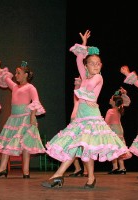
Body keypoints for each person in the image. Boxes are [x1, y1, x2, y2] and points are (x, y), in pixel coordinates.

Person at [41, 30, 129, 189]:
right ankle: (91, 178)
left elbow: (88, 87)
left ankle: (58, 175)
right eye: (92, 63)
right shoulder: (85, 75)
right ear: (86, 66)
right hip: (82, 116)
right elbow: (78, 60)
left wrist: (85, 93)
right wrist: (83, 44)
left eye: (98, 63)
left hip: (91, 117)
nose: (95, 65)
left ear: (101, 66)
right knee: (84, 149)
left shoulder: (98, 77)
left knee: (78, 146)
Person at [0, 60, 46, 179]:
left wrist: (32, 116)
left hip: (25, 118)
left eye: (18, 73)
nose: (15, 75)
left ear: (26, 75)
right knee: (6, 143)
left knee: (25, 146)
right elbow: (6, 78)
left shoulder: (30, 87)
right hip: (13, 119)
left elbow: (35, 101)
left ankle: (26, 171)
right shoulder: (15, 87)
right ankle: (2, 169)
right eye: (15, 73)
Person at [105, 87, 131, 175]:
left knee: (114, 148)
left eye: (111, 98)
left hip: (113, 130)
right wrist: (124, 94)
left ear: (113, 102)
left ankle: (116, 167)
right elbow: (127, 102)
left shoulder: (110, 111)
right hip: (119, 129)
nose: (110, 99)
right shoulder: (119, 109)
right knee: (119, 148)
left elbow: (106, 123)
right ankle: (121, 168)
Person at [68, 77, 88, 177]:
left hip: (82, 120)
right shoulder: (77, 99)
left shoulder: (85, 99)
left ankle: (86, 170)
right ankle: (78, 168)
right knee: (71, 146)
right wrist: (77, 84)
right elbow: (75, 92)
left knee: (83, 145)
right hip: (74, 121)